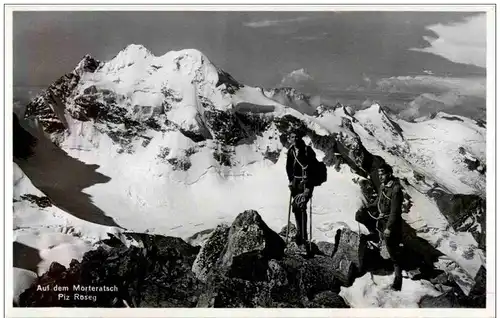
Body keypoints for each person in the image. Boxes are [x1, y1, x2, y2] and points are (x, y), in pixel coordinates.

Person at [355, 164, 404, 291]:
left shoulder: (396, 189)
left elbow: (395, 212)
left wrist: (389, 228)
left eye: (382, 174)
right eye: (379, 174)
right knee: (384, 243)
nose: (380, 177)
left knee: (392, 250)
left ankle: (398, 280)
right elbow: (378, 202)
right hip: (382, 221)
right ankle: (385, 264)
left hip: (391, 224)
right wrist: (366, 207)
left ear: (389, 174)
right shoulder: (383, 187)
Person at [286, 130, 318, 253]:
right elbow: (289, 167)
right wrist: (290, 181)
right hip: (295, 183)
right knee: (296, 207)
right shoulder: (291, 151)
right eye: (293, 137)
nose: (295, 139)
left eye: (297, 137)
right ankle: (300, 234)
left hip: (306, 184)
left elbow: (314, 168)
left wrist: (308, 186)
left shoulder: (307, 151)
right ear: (290, 139)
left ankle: (303, 239)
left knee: (301, 206)